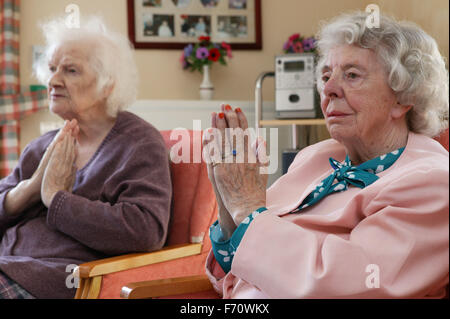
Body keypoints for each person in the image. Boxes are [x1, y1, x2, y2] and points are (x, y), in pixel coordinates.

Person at [202, 11, 449, 298]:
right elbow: (244, 262)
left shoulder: (434, 184)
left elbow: (353, 285)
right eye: (326, 76)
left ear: (404, 97)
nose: (328, 89)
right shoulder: (315, 157)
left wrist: (245, 205)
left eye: (352, 75)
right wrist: (228, 200)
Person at [0, 17, 172, 299]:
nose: (53, 80)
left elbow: (145, 230)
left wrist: (56, 197)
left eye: (70, 70)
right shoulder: (41, 146)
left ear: (108, 84)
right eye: (52, 69)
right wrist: (28, 191)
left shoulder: (138, 143)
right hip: (9, 269)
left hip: (59, 281)